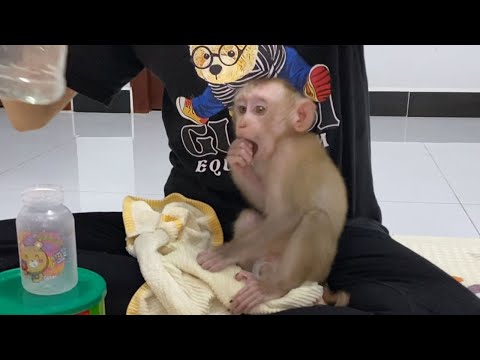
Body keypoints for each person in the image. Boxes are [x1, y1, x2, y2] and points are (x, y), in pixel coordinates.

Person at [1, 45, 479, 315]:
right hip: (195, 225)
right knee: (25, 252)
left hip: (326, 229)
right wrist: (33, 57)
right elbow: (26, 115)